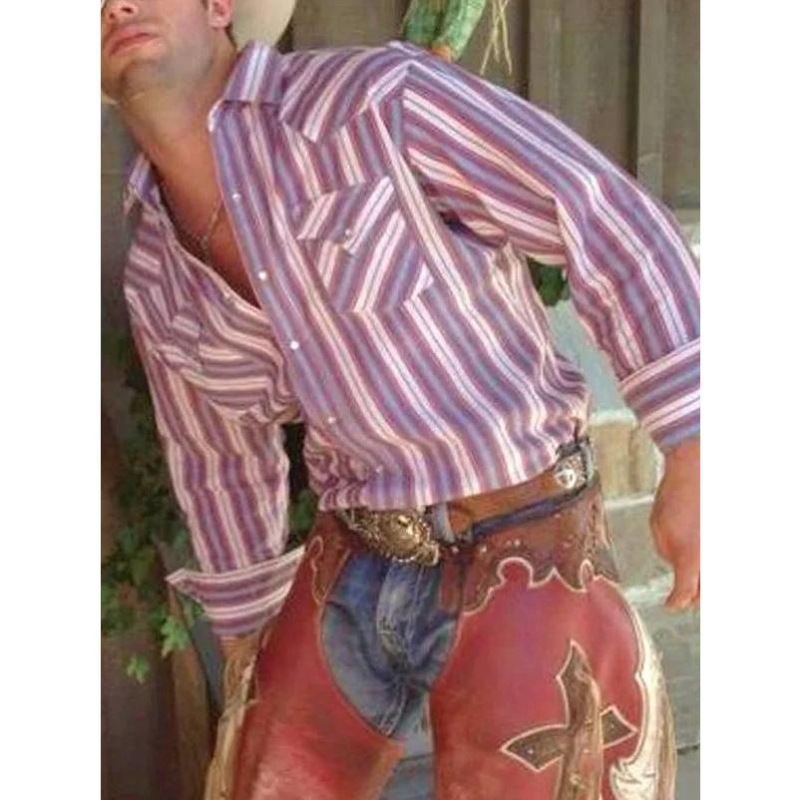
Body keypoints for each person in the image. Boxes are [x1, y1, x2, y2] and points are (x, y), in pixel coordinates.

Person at [101, 1, 700, 798]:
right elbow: (215, 453)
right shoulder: (156, 269)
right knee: (258, 780)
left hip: (523, 525)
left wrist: (695, 438)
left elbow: (596, 208)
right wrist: (247, 633)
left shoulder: (379, 99)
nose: (116, 4)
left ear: (218, 6)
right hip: (354, 548)